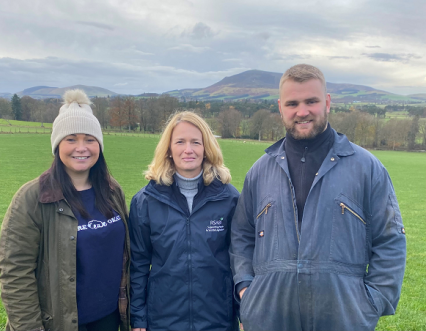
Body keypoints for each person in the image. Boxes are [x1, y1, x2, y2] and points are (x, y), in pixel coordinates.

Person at [230, 64, 406, 331]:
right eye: (293, 103)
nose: (302, 111)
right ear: (280, 107)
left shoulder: (367, 168)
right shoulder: (259, 172)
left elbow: (390, 239)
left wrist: (372, 301)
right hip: (270, 320)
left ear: (327, 102)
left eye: (311, 101)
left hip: (343, 320)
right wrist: (246, 289)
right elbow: (241, 235)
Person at [0, 90, 130, 331]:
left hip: (109, 319)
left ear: (99, 145)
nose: (82, 148)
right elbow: (15, 274)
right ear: (57, 145)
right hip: (59, 323)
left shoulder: (112, 191)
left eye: (90, 139)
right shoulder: (32, 199)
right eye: (71, 139)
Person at [129, 111, 240, 331]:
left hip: (217, 320)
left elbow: (239, 261)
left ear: (206, 148)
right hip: (163, 320)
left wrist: (243, 312)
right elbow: (139, 264)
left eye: (195, 142)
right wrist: (138, 316)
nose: (188, 149)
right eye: (180, 141)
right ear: (168, 149)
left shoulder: (229, 198)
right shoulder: (145, 201)